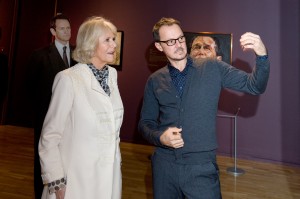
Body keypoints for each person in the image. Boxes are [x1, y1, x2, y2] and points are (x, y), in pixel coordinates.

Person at [138, 17, 269, 199]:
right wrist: (160, 137)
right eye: (170, 41)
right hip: (164, 167)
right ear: (159, 46)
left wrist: (262, 55)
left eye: (181, 38)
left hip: (200, 167)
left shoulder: (212, 67)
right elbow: (145, 123)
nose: (178, 44)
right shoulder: (154, 80)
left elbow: (255, 86)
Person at [38, 16, 124, 199]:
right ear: (91, 44)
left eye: (114, 39)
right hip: (76, 181)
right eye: (107, 40)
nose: (114, 45)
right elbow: (50, 136)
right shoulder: (68, 79)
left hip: (109, 177)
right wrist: (57, 182)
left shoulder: (112, 75)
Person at [26, 14, 77, 199]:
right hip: (46, 118)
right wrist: (40, 112)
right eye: (62, 28)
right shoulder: (39, 56)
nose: (67, 31)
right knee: (43, 159)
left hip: (71, 118)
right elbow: (29, 87)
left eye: (69, 28)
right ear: (53, 31)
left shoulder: (78, 54)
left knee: (65, 156)